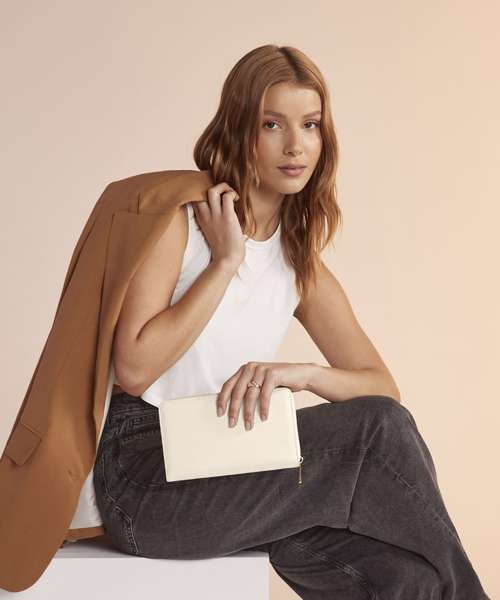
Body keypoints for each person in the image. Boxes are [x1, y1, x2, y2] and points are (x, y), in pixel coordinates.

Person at [93, 44, 489, 600]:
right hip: (146, 483)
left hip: (229, 462)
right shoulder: (180, 225)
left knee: (409, 582)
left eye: (310, 125)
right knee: (376, 429)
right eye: (272, 124)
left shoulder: (299, 264)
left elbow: (382, 388)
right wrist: (224, 263)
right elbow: (134, 369)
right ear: (240, 129)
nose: (295, 145)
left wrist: (301, 374)